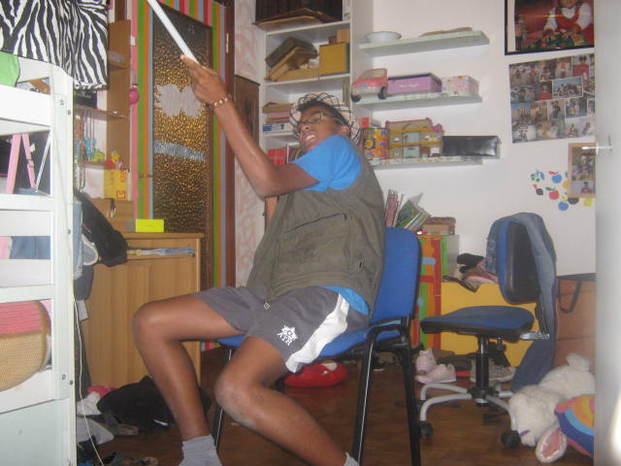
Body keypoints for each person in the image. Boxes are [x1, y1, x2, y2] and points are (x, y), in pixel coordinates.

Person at [131, 55, 385, 466]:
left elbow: (266, 180)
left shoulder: (340, 149)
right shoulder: (302, 184)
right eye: (300, 125)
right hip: (273, 294)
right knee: (151, 321)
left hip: (324, 292)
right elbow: (273, 199)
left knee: (236, 390)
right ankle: (199, 456)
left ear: (343, 129)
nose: (305, 127)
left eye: (317, 119)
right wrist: (273, 201)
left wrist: (221, 102)